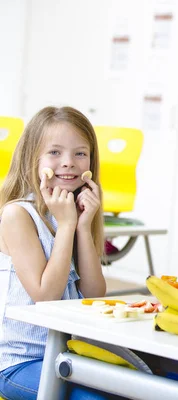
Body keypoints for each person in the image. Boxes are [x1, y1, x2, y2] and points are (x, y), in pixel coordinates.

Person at [0, 106, 112, 399]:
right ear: (32, 159)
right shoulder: (18, 215)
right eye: (55, 153)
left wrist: (83, 226)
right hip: (19, 363)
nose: (68, 164)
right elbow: (45, 297)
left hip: (66, 355)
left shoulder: (71, 213)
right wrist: (65, 226)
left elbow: (94, 293)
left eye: (80, 153)